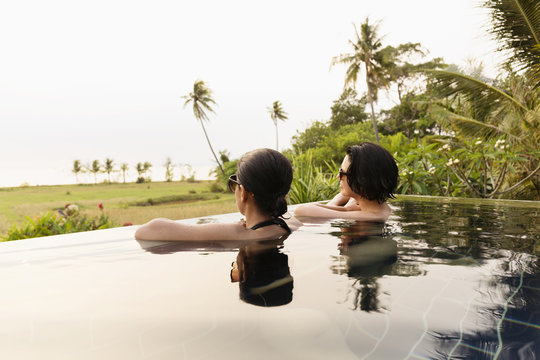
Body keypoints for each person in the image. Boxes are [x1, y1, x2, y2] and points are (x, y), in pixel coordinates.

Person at [135, 148, 300, 241]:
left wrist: (233, 228)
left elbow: (147, 231)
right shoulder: (289, 225)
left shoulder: (238, 234)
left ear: (243, 193)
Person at [294, 142, 398, 221]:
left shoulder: (370, 217)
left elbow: (300, 211)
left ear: (362, 180)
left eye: (342, 173)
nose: (338, 176)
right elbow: (344, 195)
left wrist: (344, 208)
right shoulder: (375, 205)